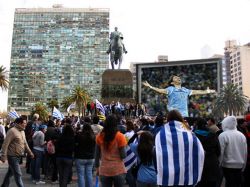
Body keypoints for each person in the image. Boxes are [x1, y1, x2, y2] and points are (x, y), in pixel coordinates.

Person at [155, 110, 205, 187]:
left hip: (167, 178)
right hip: (186, 177)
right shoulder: (190, 135)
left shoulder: (160, 135)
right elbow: (200, 153)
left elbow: (157, 154)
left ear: (168, 119)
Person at [143, 75, 216, 117]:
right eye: (175, 78)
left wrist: (207, 91)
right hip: (174, 115)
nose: (178, 78)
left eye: (178, 77)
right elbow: (160, 90)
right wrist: (150, 86)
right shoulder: (171, 89)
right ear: (172, 82)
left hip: (184, 115)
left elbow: (197, 91)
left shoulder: (185, 90)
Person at [0, 117, 34, 187]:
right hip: (12, 156)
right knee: (18, 174)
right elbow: (5, 144)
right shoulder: (12, 131)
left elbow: (25, 144)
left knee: (10, 173)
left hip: (18, 156)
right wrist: (3, 156)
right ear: (19, 123)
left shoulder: (22, 131)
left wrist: (30, 153)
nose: (26, 124)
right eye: (24, 123)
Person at [95, 115, 127, 187]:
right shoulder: (120, 136)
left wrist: (97, 167)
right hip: (118, 170)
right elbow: (123, 155)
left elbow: (96, 155)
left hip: (104, 169)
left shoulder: (99, 137)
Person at [218, 116, 247, 187]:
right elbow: (245, 152)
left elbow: (221, 152)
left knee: (229, 184)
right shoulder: (242, 135)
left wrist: (219, 164)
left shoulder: (223, 135)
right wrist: (244, 166)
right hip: (240, 165)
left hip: (227, 166)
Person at [194, 118, 221, 187]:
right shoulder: (213, 135)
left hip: (198, 166)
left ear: (197, 125)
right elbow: (218, 151)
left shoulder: (193, 136)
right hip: (212, 164)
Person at [75, 123, 96, 187]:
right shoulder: (93, 136)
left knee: (81, 175)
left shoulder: (79, 135)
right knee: (89, 174)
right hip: (90, 157)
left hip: (80, 157)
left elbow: (75, 143)